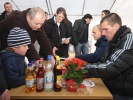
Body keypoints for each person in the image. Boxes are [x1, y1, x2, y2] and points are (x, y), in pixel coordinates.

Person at [84, 13, 133, 100]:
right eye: (102, 30)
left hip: (124, 93)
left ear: (116, 26)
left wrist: (84, 69)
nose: (103, 33)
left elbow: (112, 66)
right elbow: (103, 62)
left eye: (106, 30)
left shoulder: (129, 39)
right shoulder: (113, 41)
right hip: (112, 86)